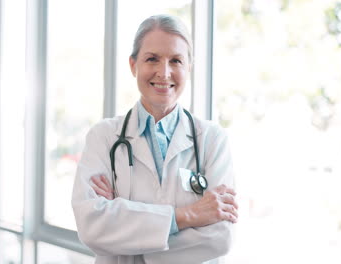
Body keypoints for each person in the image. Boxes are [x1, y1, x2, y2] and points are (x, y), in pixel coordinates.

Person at [72, 14, 238, 264]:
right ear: (133, 65)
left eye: (176, 61)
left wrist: (125, 233)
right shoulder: (104, 137)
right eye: (152, 59)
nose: (164, 72)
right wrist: (188, 215)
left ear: (188, 68)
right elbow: (91, 227)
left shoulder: (212, 140)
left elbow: (220, 237)